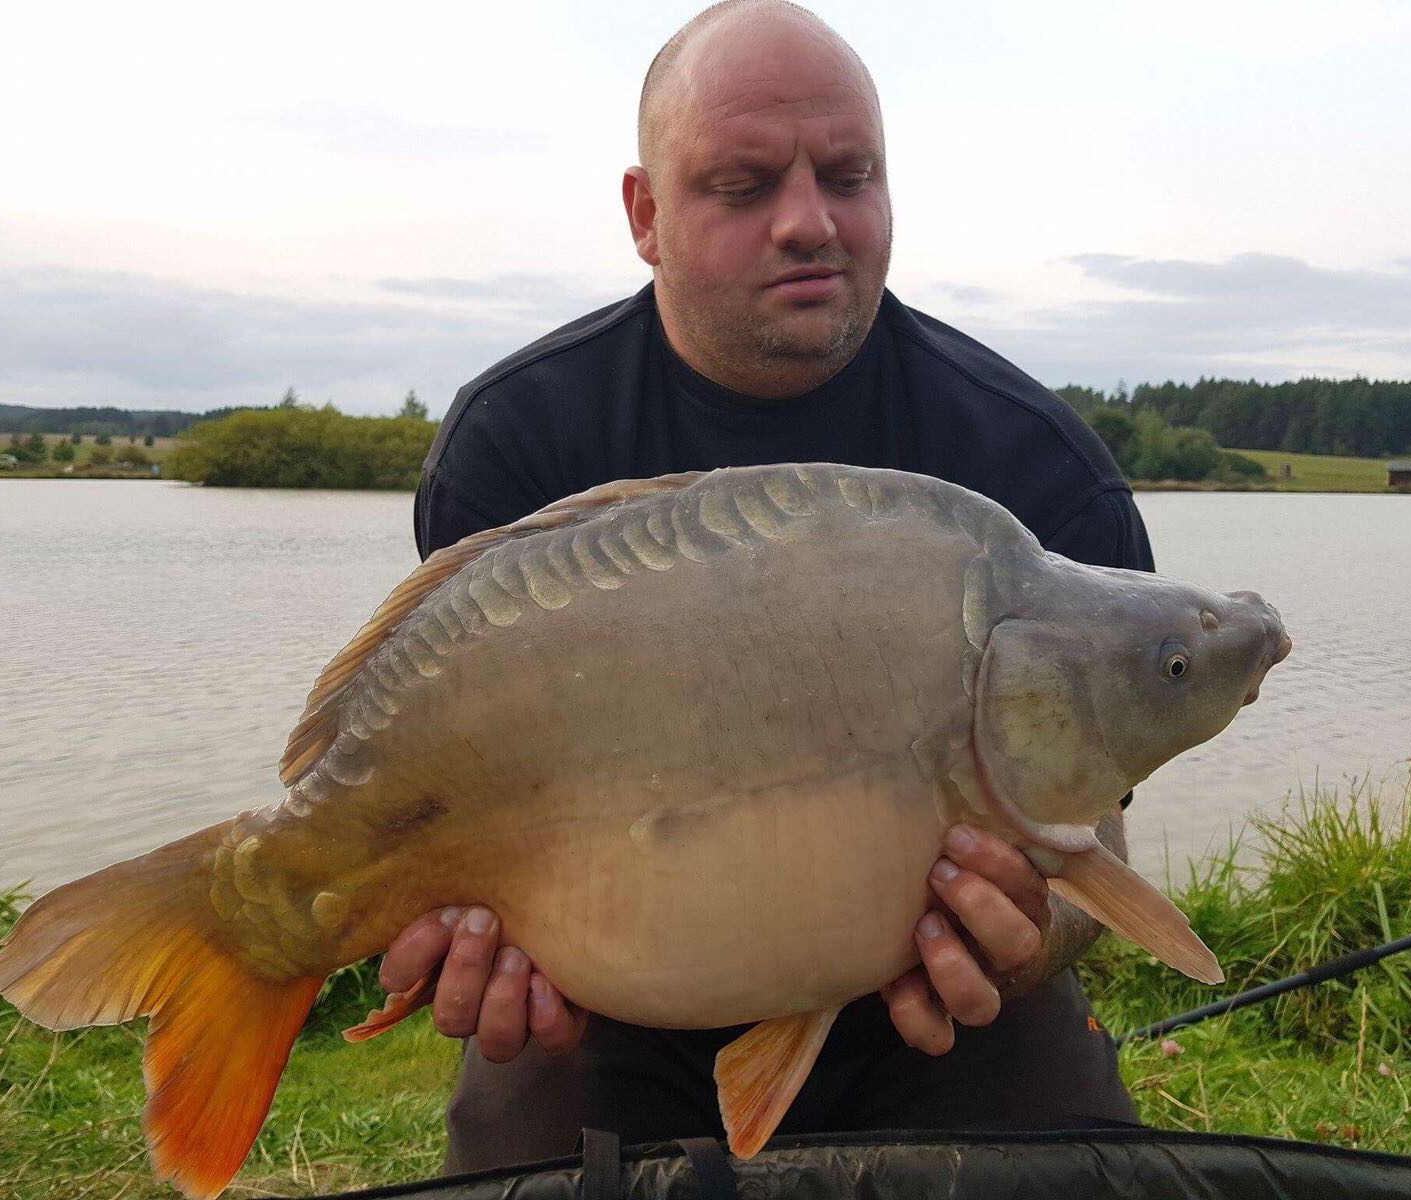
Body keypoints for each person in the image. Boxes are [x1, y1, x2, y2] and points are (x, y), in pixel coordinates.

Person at [393, 0, 1149, 1172]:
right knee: (519, 1165)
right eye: (744, 186)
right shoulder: (518, 441)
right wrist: (469, 938)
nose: (810, 222)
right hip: (617, 999)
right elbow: (458, 791)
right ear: (645, 214)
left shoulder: (1032, 465)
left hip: (942, 1006)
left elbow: (1093, 844)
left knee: (1079, 1164)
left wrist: (1025, 936)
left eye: (848, 176)